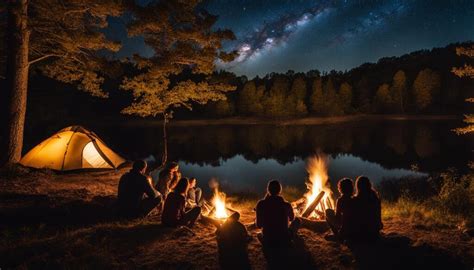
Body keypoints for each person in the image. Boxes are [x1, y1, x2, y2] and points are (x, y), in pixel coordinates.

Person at [256, 180, 300, 247]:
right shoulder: (286, 204)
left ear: (268, 190)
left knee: (259, 234)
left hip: (268, 239)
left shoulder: (261, 204)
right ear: (280, 190)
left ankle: (266, 242)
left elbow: (259, 225)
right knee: (297, 221)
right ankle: (289, 240)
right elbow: (291, 219)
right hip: (284, 238)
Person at [353, 176, 383, 241]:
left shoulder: (356, 200)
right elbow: (378, 214)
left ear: (358, 186)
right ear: (369, 184)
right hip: (375, 230)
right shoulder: (375, 198)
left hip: (362, 232)